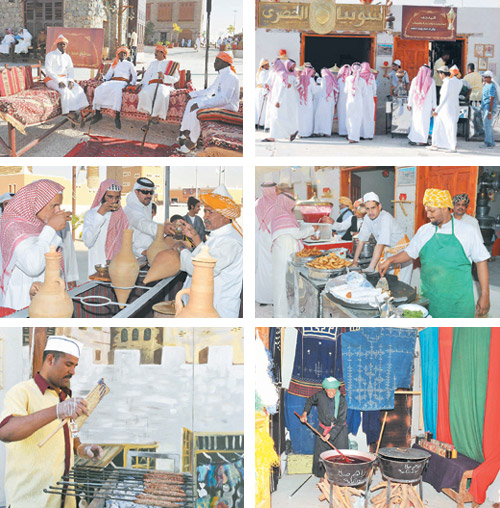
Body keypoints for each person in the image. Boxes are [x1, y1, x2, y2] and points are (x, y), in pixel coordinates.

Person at [0, 336, 104, 508]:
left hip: (64, 501)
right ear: (50, 360)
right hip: (29, 502)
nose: (73, 372)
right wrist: (57, 411)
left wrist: (83, 449)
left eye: (75, 366)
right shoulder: (22, 391)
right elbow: (6, 432)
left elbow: (71, 437)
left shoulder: (65, 397)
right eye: (68, 364)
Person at [380, 188, 490, 318]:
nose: (428, 215)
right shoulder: (424, 231)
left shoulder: (467, 231)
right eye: (427, 210)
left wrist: (485, 295)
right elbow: (410, 253)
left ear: (445, 208)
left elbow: (481, 262)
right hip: (430, 298)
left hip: (458, 302)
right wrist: (390, 260)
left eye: (432, 211)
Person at [0, 180, 77, 311]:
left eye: (59, 205)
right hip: (21, 301)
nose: (57, 210)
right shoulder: (13, 226)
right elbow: (33, 266)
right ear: (36, 203)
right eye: (54, 205)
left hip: (46, 299)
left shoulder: (41, 224)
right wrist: (51, 228)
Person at [168, 184, 243, 318]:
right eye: (205, 211)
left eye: (210, 212)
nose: (205, 217)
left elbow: (203, 269)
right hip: (202, 308)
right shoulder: (219, 235)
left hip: (217, 309)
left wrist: (181, 249)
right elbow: (206, 254)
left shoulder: (231, 242)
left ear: (225, 216)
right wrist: (195, 236)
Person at [178, 51, 240, 153]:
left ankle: (192, 141)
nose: (214, 64)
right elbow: (210, 91)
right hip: (219, 101)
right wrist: (192, 94)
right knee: (191, 103)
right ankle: (185, 132)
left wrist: (201, 104)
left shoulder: (230, 77)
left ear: (225, 63)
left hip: (228, 106)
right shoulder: (222, 75)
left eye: (217, 61)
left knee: (197, 110)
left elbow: (225, 99)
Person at [270, 192, 316, 317]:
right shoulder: (285, 216)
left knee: (281, 283)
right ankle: (283, 315)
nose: (293, 206)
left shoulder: (278, 215)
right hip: (286, 252)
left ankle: (282, 312)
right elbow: (297, 234)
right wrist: (313, 229)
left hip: (280, 252)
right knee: (286, 284)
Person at [352, 192, 412, 284]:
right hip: (389, 252)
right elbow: (361, 240)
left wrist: (371, 267)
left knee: (401, 283)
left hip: (402, 253)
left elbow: (380, 245)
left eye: (373, 208)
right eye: (367, 209)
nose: (370, 212)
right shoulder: (367, 218)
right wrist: (355, 261)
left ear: (379, 206)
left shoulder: (385, 218)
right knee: (388, 281)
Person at [300, 377, 348, 478]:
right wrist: (304, 413)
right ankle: (322, 477)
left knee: (340, 455)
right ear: (325, 389)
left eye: (334, 391)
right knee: (321, 455)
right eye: (329, 391)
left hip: (339, 430)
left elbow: (341, 421)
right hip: (323, 429)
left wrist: (331, 434)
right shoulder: (320, 395)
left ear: (337, 389)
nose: (332, 393)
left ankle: (339, 478)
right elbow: (309, 401)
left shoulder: (342, 399)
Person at [82, 180, 129, 277]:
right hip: (97, 268)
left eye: (116, 197)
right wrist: (100, 214)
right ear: (102, 195)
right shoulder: (91, 214)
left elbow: (128, 241)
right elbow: (88, 242)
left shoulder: (122, 215)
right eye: (110, 197)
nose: (113, 201)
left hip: (117, 268)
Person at [44, 35, 89, 125]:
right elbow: (48, 70)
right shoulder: (50, 55)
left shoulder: (67, 57)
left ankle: (76, 111)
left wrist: (71, 81)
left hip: (64, 79)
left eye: (64, 44)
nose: (62, 46)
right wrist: (58, 81)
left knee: (78, 89)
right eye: (60, 44)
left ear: (66, 45)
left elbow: (70, 70)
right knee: (65, 91)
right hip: (52, 79)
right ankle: (70, 113)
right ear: (57, 45)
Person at [91, 46, 137, 130]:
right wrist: (103, 78)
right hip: (113, 81)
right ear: (118, 54)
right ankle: (98, 114)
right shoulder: (114, 63)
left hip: (122, 82)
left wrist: (131, 83)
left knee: (117, 91)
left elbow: (134, 76)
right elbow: (108, 75)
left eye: (124, 53)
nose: (123, 55)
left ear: (126, 55)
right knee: (99, 88)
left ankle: (117, 116)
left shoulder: (129, 64)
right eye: (121, 53)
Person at [137, 45, 180, 125]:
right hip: (152, 84)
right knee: (144, 93)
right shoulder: (153, 63)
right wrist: (141, 84)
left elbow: (176, 78)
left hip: (164, 84)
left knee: (162, 94)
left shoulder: (170, 64)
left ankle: (155, 115)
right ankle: (149, 113)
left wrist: (164, 77)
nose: (155, 53)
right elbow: (147, 76)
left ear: (163, 53)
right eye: (155, 51)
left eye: (157, 52)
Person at [124, 177, 166, 257]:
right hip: (134, 256)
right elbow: (143, 224)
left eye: (151, 192)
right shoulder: (131, 209)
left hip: (147, 253)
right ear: (136, 192)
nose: (149, 195)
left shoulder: (146, 207)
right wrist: (163, 229)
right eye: (145, 192)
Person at [262, 58, 299, 143]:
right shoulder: (275, 73)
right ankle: (275, 135)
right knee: (274, 117)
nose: (273, 66)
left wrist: (278, 101)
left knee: (277, 117)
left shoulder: (282, 74)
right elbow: (270, 84)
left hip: (278, 100)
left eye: (275, 64)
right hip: (273, 98)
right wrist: (266, 86)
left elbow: (282, 88)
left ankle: (291, 131)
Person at [255, 182, 278, 306]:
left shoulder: (257, 204)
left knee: (263, 269)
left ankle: (263, 298)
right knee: (274, 269)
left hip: (261, 239)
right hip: (273, 239)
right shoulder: (276, 205)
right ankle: (272, 298)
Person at [429, 66, 461, 152]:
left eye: (439, 74)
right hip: (453, 106)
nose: (439, 76)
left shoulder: (448, 82)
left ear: (442, 74)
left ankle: (450, 146)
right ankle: (437, 144)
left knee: (447, 126)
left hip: (446, 108)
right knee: (447, 126)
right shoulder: (458, 82)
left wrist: (437, 109)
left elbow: (445, 97)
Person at [407, 65, 437, 146]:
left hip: (418, 106)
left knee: (418, 122)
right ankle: (420, 140)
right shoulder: (431, 81)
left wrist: (409, 103)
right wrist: (434, 106)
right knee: (420, 122)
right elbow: (434, 95)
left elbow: (411, 93)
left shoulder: (416, 80)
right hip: (423, 106)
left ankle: (418, 140)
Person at [345, 63, 367, 143]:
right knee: (357, 119)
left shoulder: (348, 79)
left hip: (350, 101)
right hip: (358, 102)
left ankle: (350, 136)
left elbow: (345, 90)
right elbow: (365, 93)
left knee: (349, 119)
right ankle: (354, 137)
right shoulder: (363, 81)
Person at [313, 67, 337, 137]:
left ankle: (317, 131)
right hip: (330, 99)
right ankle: (327, 132)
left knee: (319, 115)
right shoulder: (331, 78)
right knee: (328, 116)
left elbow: (322, 88)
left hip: (323, 99)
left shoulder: (324, 78)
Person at [297, 63, 317, 138]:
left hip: (300, 101)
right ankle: (307, 133)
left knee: (300, 117)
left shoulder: (300, 78)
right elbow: (314, 91)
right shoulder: (311, 80)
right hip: (308, 101)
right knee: (307, 117)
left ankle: (300, 132)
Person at [480, 70, 497, 148]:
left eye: (485, 77)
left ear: (490, 78)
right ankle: (491, 142)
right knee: (488, 125)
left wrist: (490, 112)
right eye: (484, 77)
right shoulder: (486, 85)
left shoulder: (491, 86)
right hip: (486, 106)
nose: (484, 78)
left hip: (489, 107)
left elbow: (491, 99)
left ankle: (488, 143)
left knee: (487, 126)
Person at [360, 62, 377, 140]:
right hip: (369, 99)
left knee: (362, 116)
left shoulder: (359, 75)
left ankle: (362, 134)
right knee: (369, 116)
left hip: (361, 99)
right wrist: (372, 94)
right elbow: (374, 88)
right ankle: (369, 135)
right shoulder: (371, 76)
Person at [255, 58, 271, 129]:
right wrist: (265, 93)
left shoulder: (260, 72)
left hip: (259, 90)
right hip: (262, 91)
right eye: (267, 65)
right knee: (263, 108)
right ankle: (262, 123)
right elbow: (264, 84)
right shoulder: (264, 73)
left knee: (258, 107)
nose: (269, 66)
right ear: (264, 66)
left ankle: (258, 122)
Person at [337, 64, 351, 136]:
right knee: (347, 115)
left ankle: (342, 131)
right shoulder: (351, 79)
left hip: (341, 100)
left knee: (342, 115)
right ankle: (347, 131)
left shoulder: (339, 80)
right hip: (349, 99)